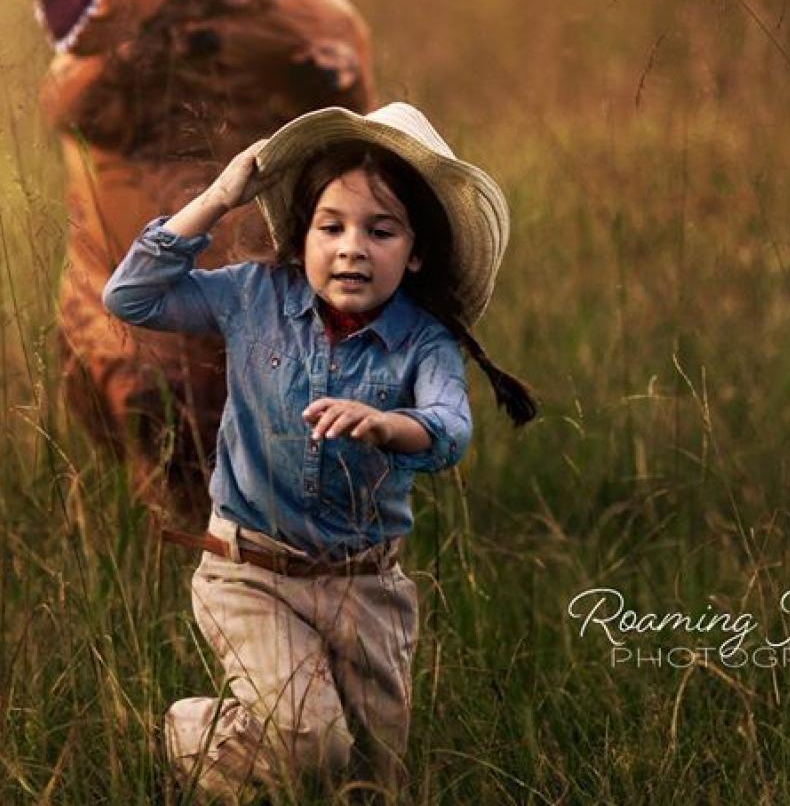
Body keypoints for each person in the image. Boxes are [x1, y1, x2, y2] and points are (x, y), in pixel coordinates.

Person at [0, 0, 376, 528]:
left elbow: (320, 61)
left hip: (225, 264)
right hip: (125, 268)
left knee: (226, 435)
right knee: (153, 424)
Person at [103, 102, 537, 801]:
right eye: (330, 227)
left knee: (370, 780)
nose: (351, 248)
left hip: (365, 585)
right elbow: (131, 297)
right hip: (251, 570)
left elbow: (449, 428)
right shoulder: (253, 296)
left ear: (415, 252)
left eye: (380, 231)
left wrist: (388, 424)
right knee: (313, 741)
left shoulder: (423, 340)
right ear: (301, 236)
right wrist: (219, 197)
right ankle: (190, 732)